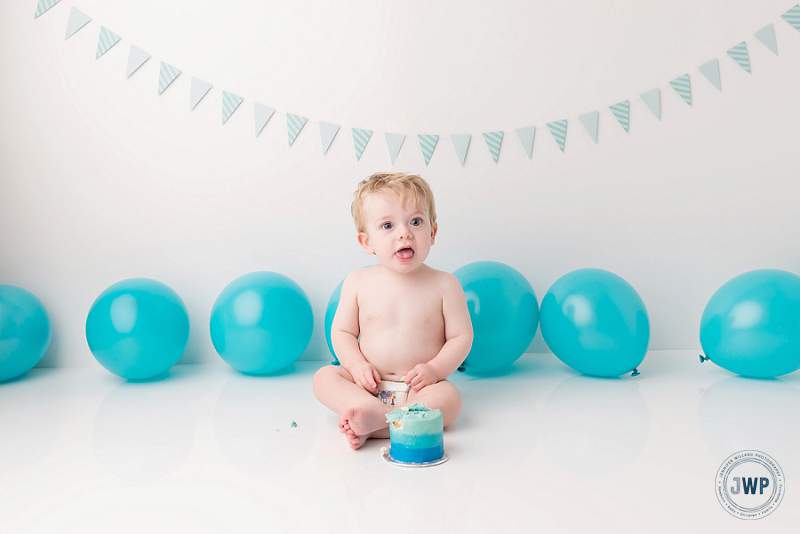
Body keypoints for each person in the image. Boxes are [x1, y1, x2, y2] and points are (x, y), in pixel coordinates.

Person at [313, 172, 473, 449]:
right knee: (324, 378)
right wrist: (356, 366)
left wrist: (434, 370)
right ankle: (374, 413)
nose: (404, 232)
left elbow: (461, 337)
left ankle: (377, 423)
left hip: (419, 389)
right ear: (366, 242)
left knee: (449, 398)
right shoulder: (357, 282)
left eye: (415, 221)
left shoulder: (445, 284)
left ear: (432, 232)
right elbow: (342, 332)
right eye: (387, 225)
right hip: (367, 386)